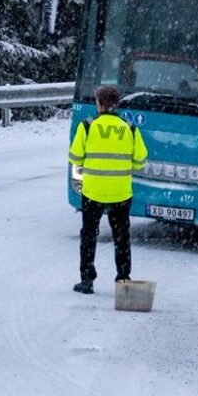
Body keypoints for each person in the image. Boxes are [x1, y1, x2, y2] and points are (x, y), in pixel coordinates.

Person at [68, 85, 149, 294]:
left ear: (99, 104)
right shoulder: (130, 128)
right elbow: (140, 161)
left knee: (89, 235)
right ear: (116, 104)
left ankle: (87, 280)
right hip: (120, 192)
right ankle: (123, 280)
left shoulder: (87, 127)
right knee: (121, 236)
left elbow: (75, 157)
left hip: (93, 191)